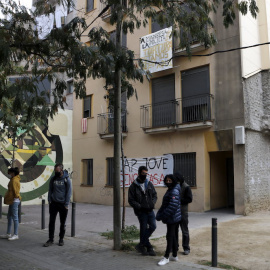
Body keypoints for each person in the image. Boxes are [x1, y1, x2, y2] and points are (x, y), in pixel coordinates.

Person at [128, 166, 157, 256]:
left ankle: (141, 244)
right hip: (141, 212)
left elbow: (154, 195)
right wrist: (140, 207)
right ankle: (148, 247)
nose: (145, 175)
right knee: (143, 229)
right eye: (143, 173)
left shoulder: (149, 184)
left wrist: (152, 203)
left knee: (153, 226)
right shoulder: (133, 186)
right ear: (139, 173)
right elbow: (131, 200)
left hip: (150, 210)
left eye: (146, 173)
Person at [43, 164, 72, 247]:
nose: (56, 173)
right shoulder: (53, 179)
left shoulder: (66, 179)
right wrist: (50, 200)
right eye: (55, 171)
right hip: (54, 204)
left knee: (62, 223)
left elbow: (69, 192)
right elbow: (50, 190)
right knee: (51, 222)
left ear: (61, 170)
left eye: (57, 171)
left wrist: (66, 204)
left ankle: (61, 239)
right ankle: (50, 239)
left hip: (63, 204)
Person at [156, 174, 181, 266]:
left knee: (169, 236)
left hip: (172, 217)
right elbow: (165, 204)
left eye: (170, 180)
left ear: (173, 181)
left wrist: (163, 215)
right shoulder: (172, 189)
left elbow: (172, 206)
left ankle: (166, 257)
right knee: (173, 236)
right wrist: (160, 214)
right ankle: (174, 255)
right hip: (173, 217)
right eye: (166, 180)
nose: (168, 182)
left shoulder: (174, 190)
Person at [174, 171, 193, 255]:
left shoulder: (186, 187)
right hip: (175, 212)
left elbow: (189, 199)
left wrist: (178, 201)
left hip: (183, 212)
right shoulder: (174, 186)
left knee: (184, 231)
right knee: (174, 231)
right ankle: (175, 247)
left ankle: (186, 248)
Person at [0, 167, 21, 241]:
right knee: (10, 217)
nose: (9, 174)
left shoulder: (14, 180)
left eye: (10, 173)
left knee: (14, 218)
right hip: (13, 200)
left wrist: (15, 197)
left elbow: (15, 191)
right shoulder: (14, 179)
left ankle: (15, 234)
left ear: (13, 173)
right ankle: (8, 233)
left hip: (14, 200)